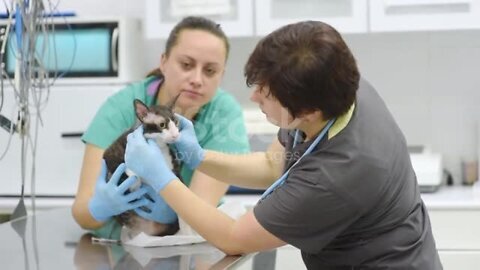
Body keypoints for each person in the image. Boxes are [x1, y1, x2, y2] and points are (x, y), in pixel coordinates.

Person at [124, 20, 443, 269]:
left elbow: (234, 238)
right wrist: (198, 156)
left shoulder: (335, 176)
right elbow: (272, 164)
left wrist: (161, 178)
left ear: (307, 112)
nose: (254, 96)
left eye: (267, 93)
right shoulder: (338, 86)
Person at [71, 16, 250, 232]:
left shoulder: (224, 113)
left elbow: (198, 216)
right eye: (186, 65)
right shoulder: (121, 107)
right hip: (117, 247)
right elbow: (83, 214)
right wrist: (100, 208)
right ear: (163, 62)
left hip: (185, 245)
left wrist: (172, 213)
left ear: (222, 75)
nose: (197, 79)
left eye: (210, 71)